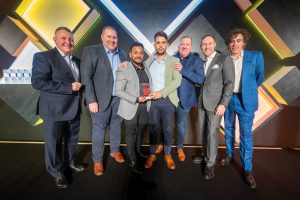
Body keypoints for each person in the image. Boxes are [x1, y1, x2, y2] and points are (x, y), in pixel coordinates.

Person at [31, 27, 84, 189]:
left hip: (74, 109)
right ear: (54, 39)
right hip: (54, 111)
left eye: (71, 39)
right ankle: (56, 173)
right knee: (53, 144)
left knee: (71, 140)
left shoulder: (77, 61)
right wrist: (69, 87)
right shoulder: (44, 57)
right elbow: (38, 82)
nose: (68, 42)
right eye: (63, 38)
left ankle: (70, 162)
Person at [80, 26, 128, 176]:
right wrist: (91, 99)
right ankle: (98, 160)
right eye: (109, 37)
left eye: (114, 37)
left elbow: (129, 77)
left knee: (116, 126)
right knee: (99, 129)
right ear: (102, 37)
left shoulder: (124, 54)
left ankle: (115, 151)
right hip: (99, 100)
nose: (112, 40)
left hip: (119, 99)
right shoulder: (91, 51)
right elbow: (86, 77)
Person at [220, 28, 264, 189]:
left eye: (238, 40)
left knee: (246, 135)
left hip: (246, 101)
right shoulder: (223, 58)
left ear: (244, 42)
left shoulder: (255, 56)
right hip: (228, 99)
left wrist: (247, 90)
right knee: (229, 129)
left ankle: (247, 169)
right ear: (228, 44)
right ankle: (230, 154)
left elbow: (259, 77)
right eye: (232, 41)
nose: (235, 44)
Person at [192, 34, 234, 180]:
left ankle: (210, 164)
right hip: (202, 103)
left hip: (216, 105)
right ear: (201, 47)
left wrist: (223, 103)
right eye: (204, 44)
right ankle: (205, 155)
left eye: (209, 44)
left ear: (214, 44)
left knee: (212, 133)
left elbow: (229, 83)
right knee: (204, 131)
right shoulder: (203, 61)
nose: (207, 47)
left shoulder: (224, 59)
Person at [144, 31, 182, 170]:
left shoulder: (174, 61)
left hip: (167, 99)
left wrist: (162, 93)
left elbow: (177, 80)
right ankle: (152, 154)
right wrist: (125, 64)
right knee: (153, 129)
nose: (160, 45)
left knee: (167, 129)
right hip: (152, 101)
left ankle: (167, 154)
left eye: (163, 42)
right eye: (158, 42)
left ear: (167, 44)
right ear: (154, 44)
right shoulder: (148, 61)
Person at [115, 42, 152, 174]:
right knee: (131, 133)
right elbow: (118, 90)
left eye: (141, 52)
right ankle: (132, 158)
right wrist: (136, 99)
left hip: (145, 106)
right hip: (130, 106)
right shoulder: (123, 68)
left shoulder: (146, 66)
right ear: (130, 54)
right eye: (135, 52)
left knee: (141, 131)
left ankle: (137, 151)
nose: (138, 55)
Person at [174, 35, 205, 161]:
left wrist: (183, 70)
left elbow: (200, 79)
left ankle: (180, 147)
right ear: (179, 46)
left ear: (191, 47)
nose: (184, 46)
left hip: (184, 100)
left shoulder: (196, 61)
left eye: (187, 44)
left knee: (180, 124)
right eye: (182, 44)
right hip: (169, 98)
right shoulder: (172, 58)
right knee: (163, 124)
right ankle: (161, 145)